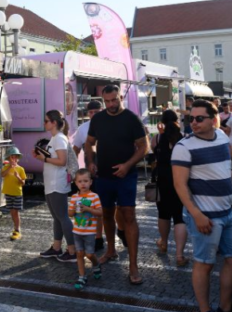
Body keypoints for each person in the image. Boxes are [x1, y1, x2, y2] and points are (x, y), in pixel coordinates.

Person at [172, 99, 232, 312]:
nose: (194, 123)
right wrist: (196, 214)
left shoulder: (220, 136)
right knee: (204, 264)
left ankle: (224, 309)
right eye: (191, 119)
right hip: (205, 216)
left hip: (227, 212)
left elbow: (222, 167)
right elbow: (180, 185)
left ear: (213, 118)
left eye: (199, 118)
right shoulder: (183, 147)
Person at [84, 85, 150, 285]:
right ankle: (111, 251)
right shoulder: (98, 118)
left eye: (114, 100)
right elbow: (89, 143)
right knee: (106, 213)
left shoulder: (131, 118)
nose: (111, 104)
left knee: (128, 215)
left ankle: (133, 265)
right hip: (103, 175)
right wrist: (90, 163)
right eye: (107, 101)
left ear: (121, 97)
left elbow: (144, 146)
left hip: (126, 176)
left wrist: (128, 164)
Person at [35, 109, 77, 263]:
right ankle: (56, 247)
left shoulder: (59, 139)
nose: (44, 123)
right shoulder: (55, 138)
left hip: (57, 183)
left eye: (46, 121)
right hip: (52, 183)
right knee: (57, 217)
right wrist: (42, 156)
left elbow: (62, 161)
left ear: (53, 123)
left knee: (62, 217)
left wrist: (43, 159)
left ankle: (72, 251)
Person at [72, 99, 109, 252]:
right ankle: (97, 237)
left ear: (102, 110)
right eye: (91, 112)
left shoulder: (109, 125)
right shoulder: (82, 129)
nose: (94, 115)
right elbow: (75, 150)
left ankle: (107, 234)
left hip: (109, 171)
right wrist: (75, 171)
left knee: (109, 208)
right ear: (87, 113)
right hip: (90, 174)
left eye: (97, 112)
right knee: (94, 205)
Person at [153, 110, 187, 267]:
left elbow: (152, 154)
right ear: (176, 120)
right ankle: (180, 255)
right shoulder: (184, 138)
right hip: (180, 178)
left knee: (163, 213)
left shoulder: (158, 137)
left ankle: (164, 243)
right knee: (179, 216)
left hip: (163, 179)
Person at [68, 169, 103, 290]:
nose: (83, 184)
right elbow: (70, 213)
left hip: (89, 232)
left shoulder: (94, 197)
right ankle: (82, 276)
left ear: (91, 182)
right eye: (80, 181)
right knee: (79, 253)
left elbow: (100, 212)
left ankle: (96, 264)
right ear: (76, 183)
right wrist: (73, 210)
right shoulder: (74, 197)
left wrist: (88, 209)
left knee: (89, 254)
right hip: (77, 231)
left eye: (85, 181)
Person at [1, 147, 27, 241]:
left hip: (17, 193)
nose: (13, 159)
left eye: (15, 157)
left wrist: (18, 177)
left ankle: (17, 229)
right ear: (8, 159)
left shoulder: (20, 169)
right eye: (11, 157)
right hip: (8, 192)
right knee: (12, 211)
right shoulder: (5, 167)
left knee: (16, 211)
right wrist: (9, 168)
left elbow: (23, 183)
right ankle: (15, 227)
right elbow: (2, 175)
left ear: (18, 158)